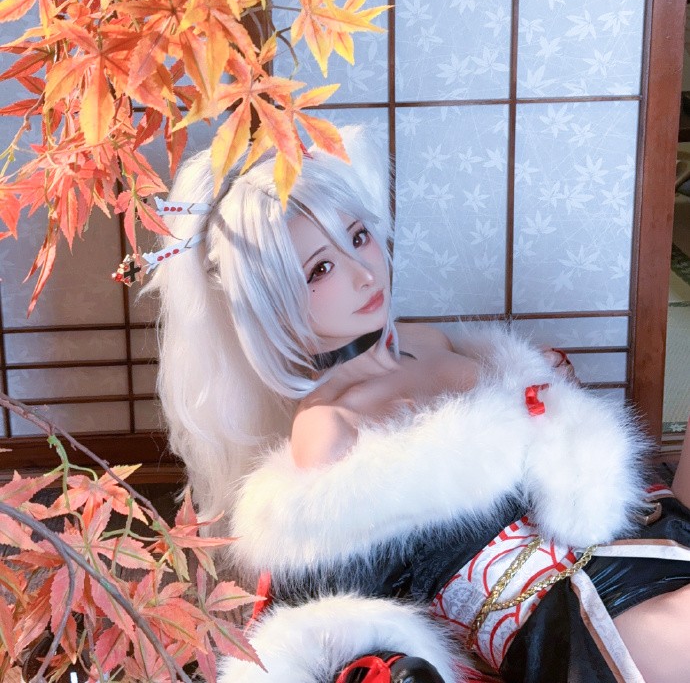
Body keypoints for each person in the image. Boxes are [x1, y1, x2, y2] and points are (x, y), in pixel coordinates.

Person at [151, 128, 690, 683]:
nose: (365, 272)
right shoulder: (329, 428)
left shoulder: (426, 340)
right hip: (561, 625)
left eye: (359, 237)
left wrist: (548, 397)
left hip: (621, 542)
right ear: (272, 302)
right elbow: (352, 598)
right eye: (320, 269)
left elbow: (535, 443)